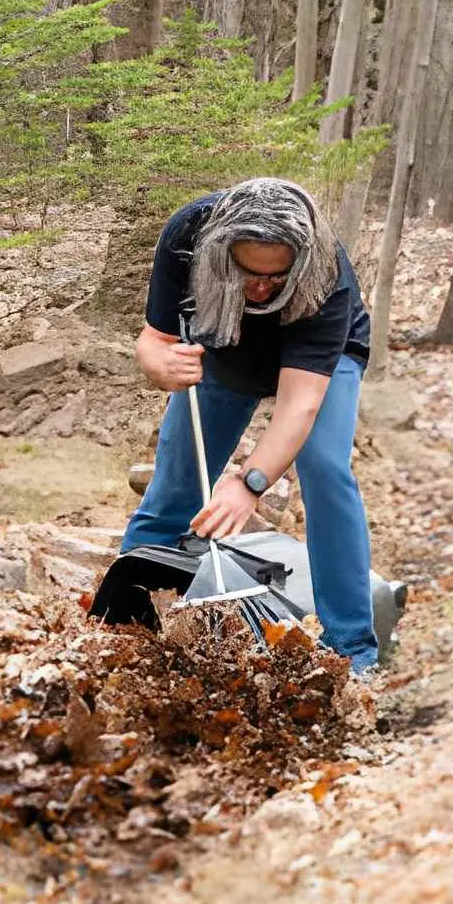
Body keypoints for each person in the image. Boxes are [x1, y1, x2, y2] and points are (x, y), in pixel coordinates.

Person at [121, 177, 378, 672]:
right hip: (226, 347)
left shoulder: (327, 275)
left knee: (325, 470)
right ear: (221, 251)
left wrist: (250, 482)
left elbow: (299, 404)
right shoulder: (186, 239)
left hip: (324, 361)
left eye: (275, 278)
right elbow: (153, 339)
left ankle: (352, 650)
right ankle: (124, 625)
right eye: (248, 272)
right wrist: (159, 365)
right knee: (175, 488)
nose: (260, 288)